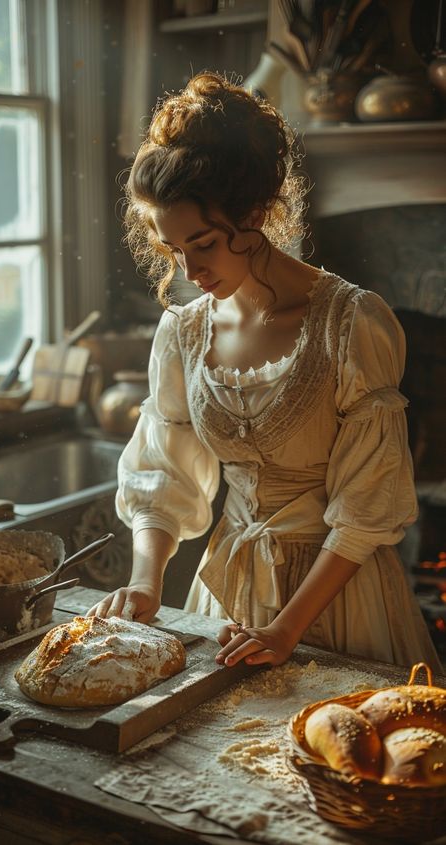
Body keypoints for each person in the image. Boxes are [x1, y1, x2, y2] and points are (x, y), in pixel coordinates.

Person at [88, 71, 442, 674]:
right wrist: (145, 584)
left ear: (254, 214)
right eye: (175, 251)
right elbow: (164, 474)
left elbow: (364, 506)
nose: (191, 270)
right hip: (228, 596)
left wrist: (284, 632)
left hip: (337, 598)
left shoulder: (351, 322)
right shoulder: (184, 332)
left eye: (203, 243)